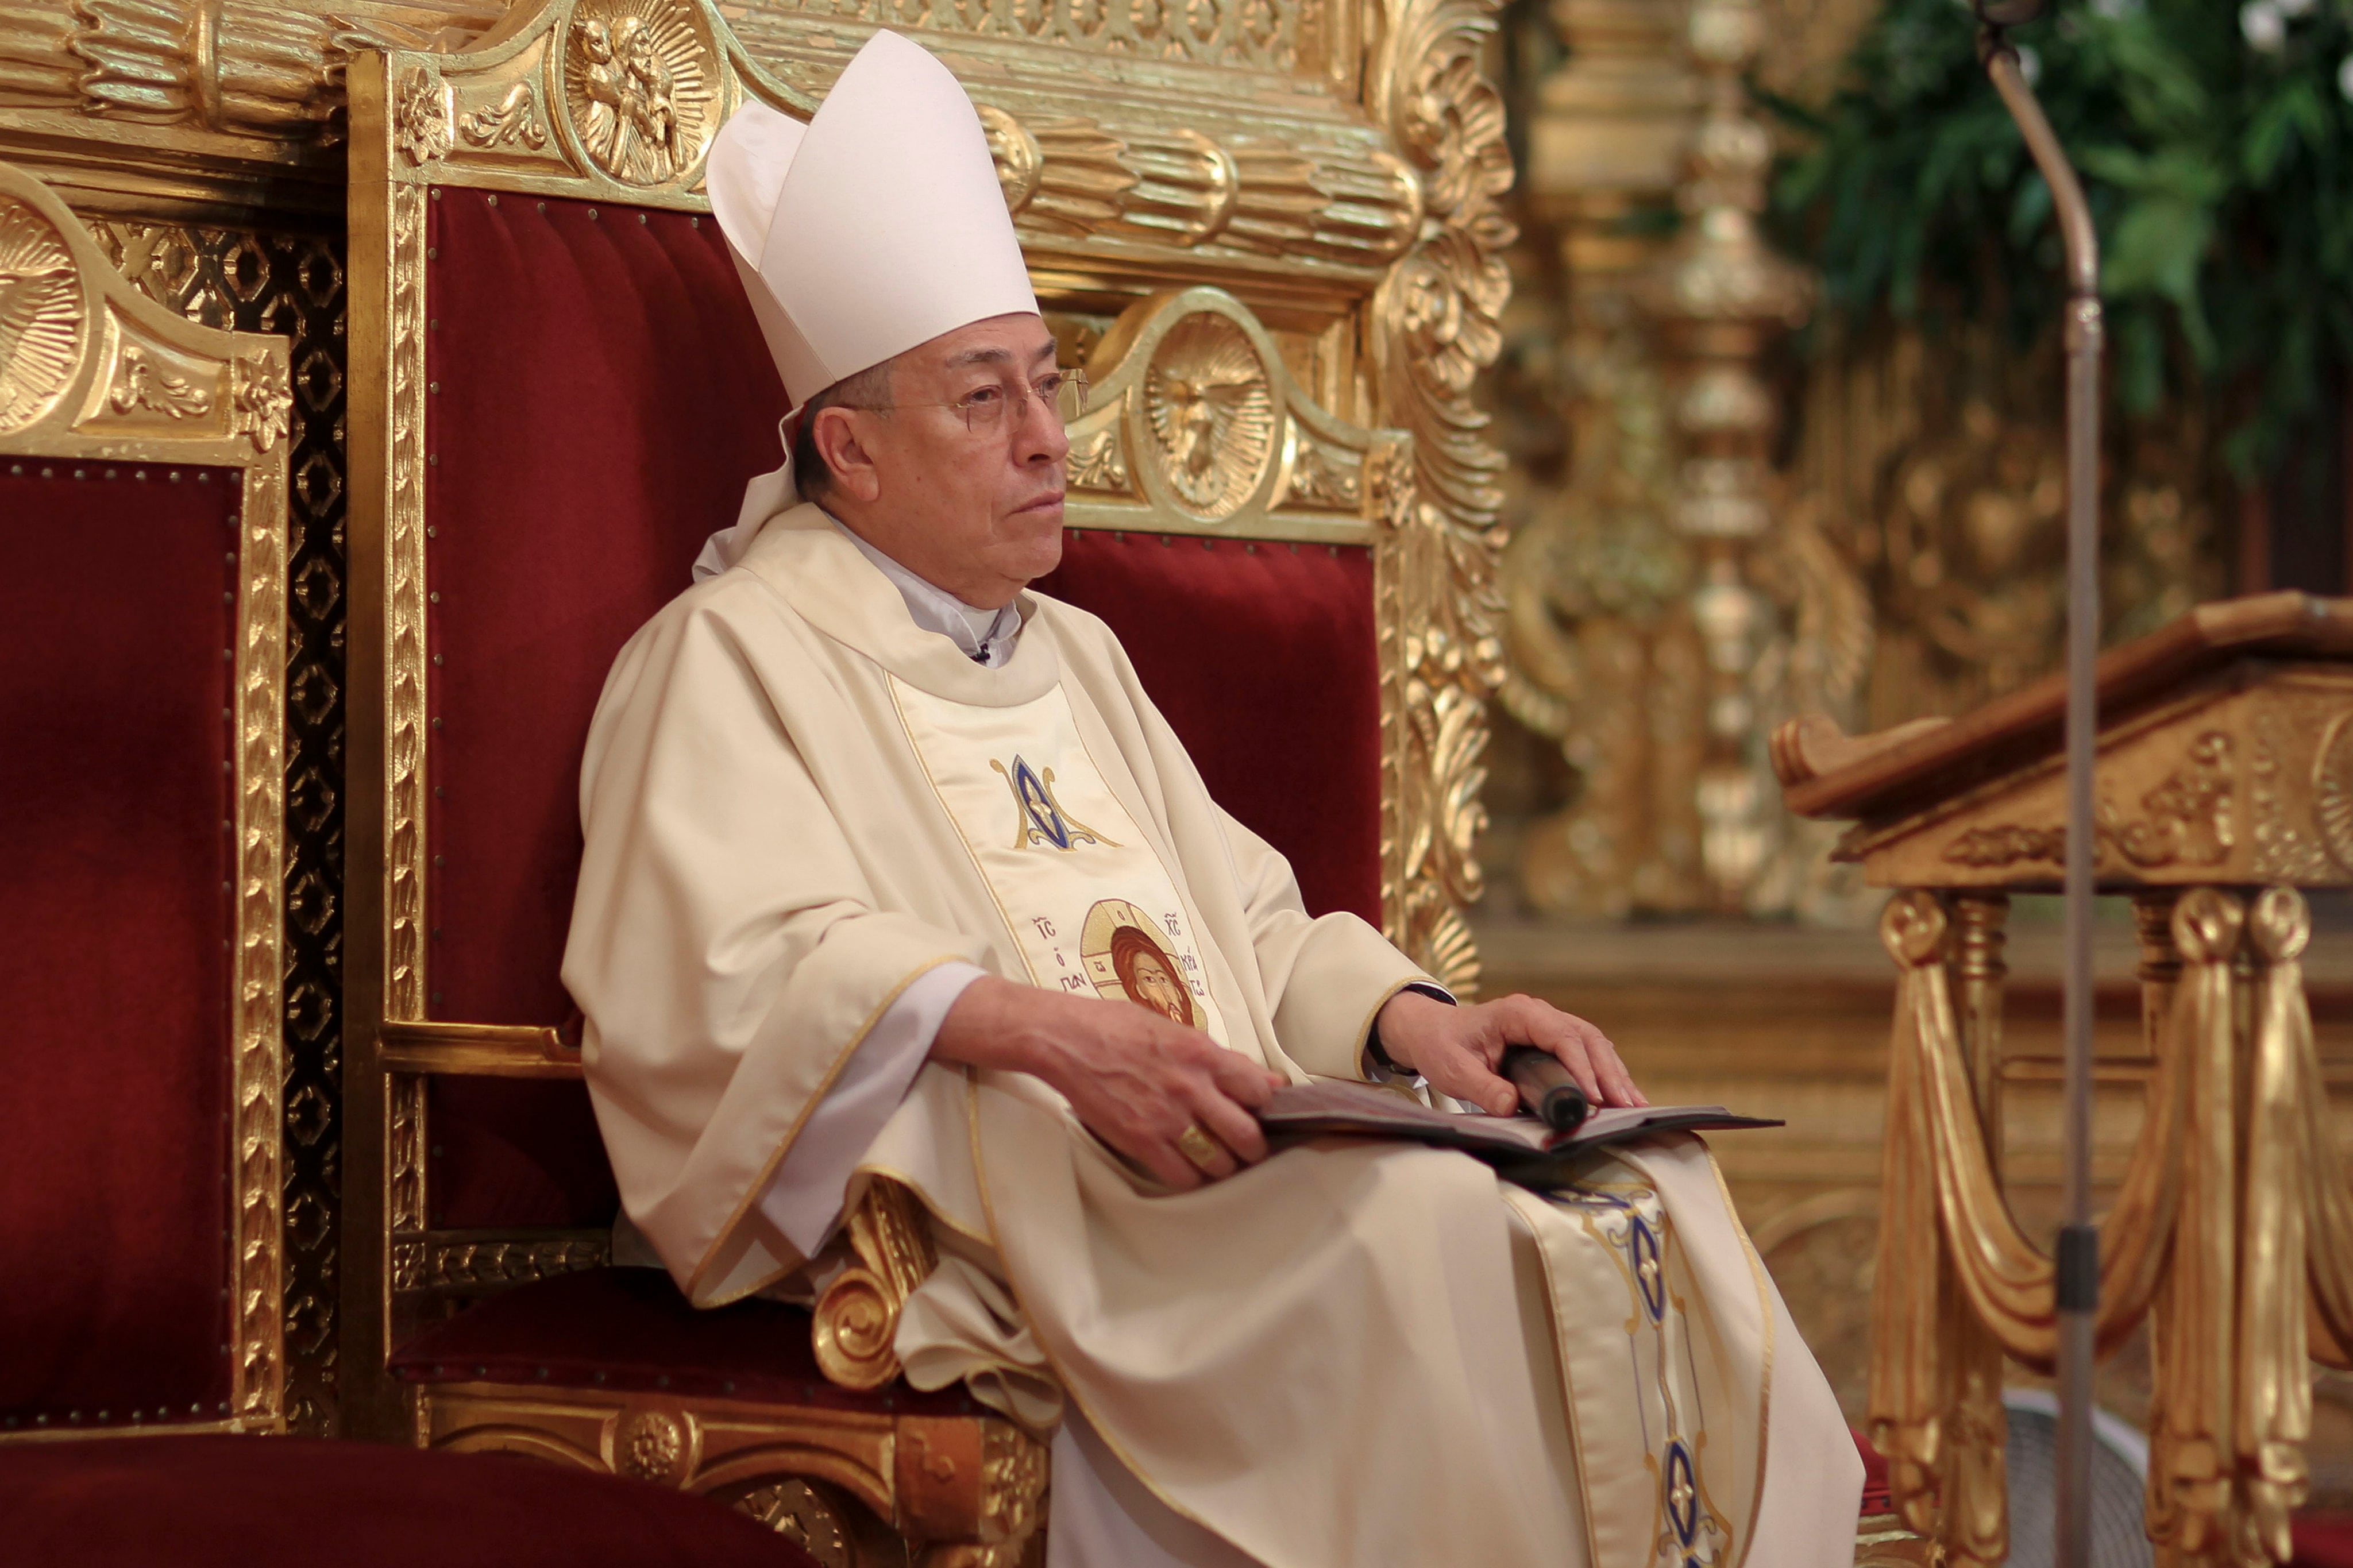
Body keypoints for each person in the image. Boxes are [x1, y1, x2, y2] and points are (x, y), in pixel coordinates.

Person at [562, 29, 1862, 1568]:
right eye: (985, 402)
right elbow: (718, 985)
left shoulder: (1074, 654)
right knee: (1432, 1229)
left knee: (1639, 1183)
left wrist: (1408, 1024)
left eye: (1045, 384)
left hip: (1208, 1167)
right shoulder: (729, 659)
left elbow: (1244, 919)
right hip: (1029, 1207)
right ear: (849, 447)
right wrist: (1038, 1032)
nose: (1049, 439)